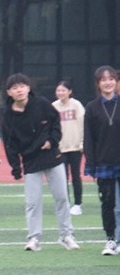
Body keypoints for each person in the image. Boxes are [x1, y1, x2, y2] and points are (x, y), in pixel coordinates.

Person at [2, 73, 78, 252]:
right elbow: (10, 144)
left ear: (28, 88)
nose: (19, 90)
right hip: (30, 161)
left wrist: (52, 141)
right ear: (9, 92)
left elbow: (56, 124)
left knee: (62, 197)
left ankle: (66, 235)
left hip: (52, 156)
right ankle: (34, 238)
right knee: (33, 202)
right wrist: (15, 167)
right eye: (14, 88)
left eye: (22, 86)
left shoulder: (42, 104)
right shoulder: (8, 115)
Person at [83, 65, 120, 256]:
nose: (108, 82)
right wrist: (91, 164)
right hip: (104, 163)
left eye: (111, 79)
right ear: (98, 84)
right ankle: (111, 239)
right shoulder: (91, 107)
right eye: (103, 79)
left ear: (116, 81)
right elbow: (88, 138)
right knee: (108, 202)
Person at [53, 80, 86, 216]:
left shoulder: (76, 105)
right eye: (58, 90)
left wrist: (82, 143)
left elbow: (83, 124)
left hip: (75, 147)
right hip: (60, 148)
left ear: (70, 91)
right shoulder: (54, 106)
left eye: (63, 90)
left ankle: (78, 204)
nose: (60, 93)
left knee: (76, 175)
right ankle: (65, 203)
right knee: (62, 177)